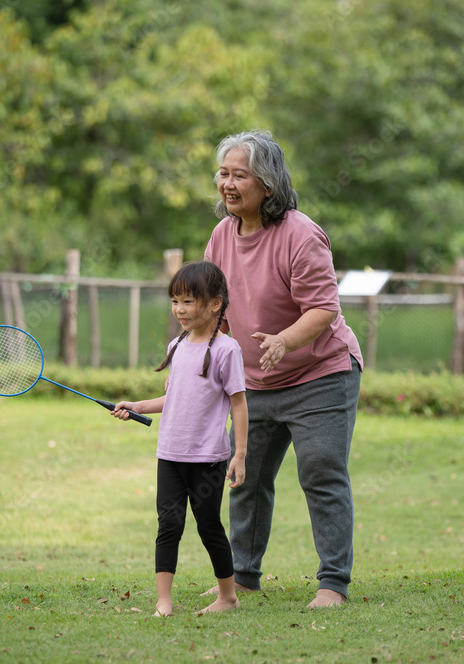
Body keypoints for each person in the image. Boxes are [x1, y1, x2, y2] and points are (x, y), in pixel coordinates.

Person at [202, 129, 363, 608]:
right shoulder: (221, 236)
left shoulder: (300, 233)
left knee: (320, 470)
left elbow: (323, 308)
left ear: (267, 185)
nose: (227, 184)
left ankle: (333, 583)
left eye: (239, 175)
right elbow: (216, 310)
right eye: (223, 174)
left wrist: (283, 341)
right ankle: (244, 576)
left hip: (321, 374)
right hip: (256, 381)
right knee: (245, 476)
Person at [111, 260, 249, 617]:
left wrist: (240, 453)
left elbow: (239, 404)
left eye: (188, 301)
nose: (180, 309)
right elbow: (174, 396)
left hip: (208, 458)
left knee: (208, 526)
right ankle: (164, 601)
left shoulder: (226, 349)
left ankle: (228, 597)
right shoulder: (178, 344)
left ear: (215, 303)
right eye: (175, 301)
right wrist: (136, 405)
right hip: (170, 455)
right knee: (168, 525)